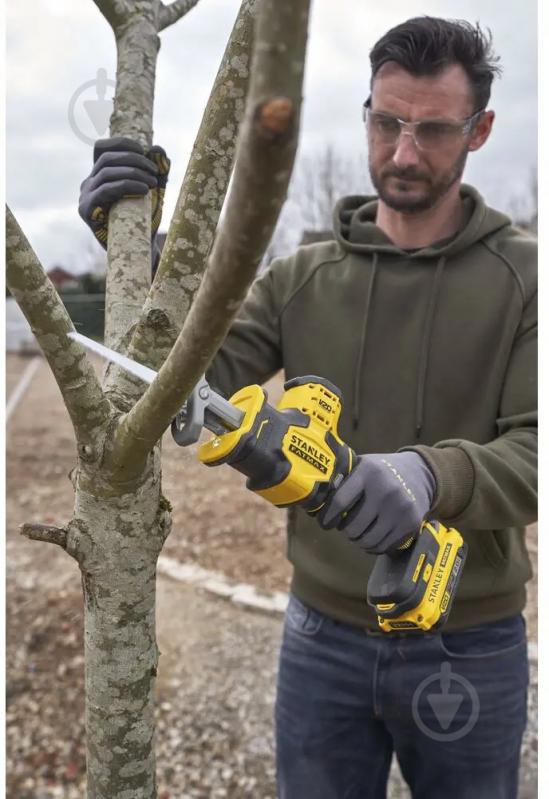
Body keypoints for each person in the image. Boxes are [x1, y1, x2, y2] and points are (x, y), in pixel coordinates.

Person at [79, 17, 537, 799]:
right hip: (319, 634)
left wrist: (430, 477)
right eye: (386, 121)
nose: (401, 151)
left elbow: (539, 448)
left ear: (480, 129)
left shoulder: (526, 277)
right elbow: (185, 379)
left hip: (470, 640)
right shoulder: (297, 277)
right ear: (365, 112)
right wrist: (140, 254)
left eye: (432, 130)